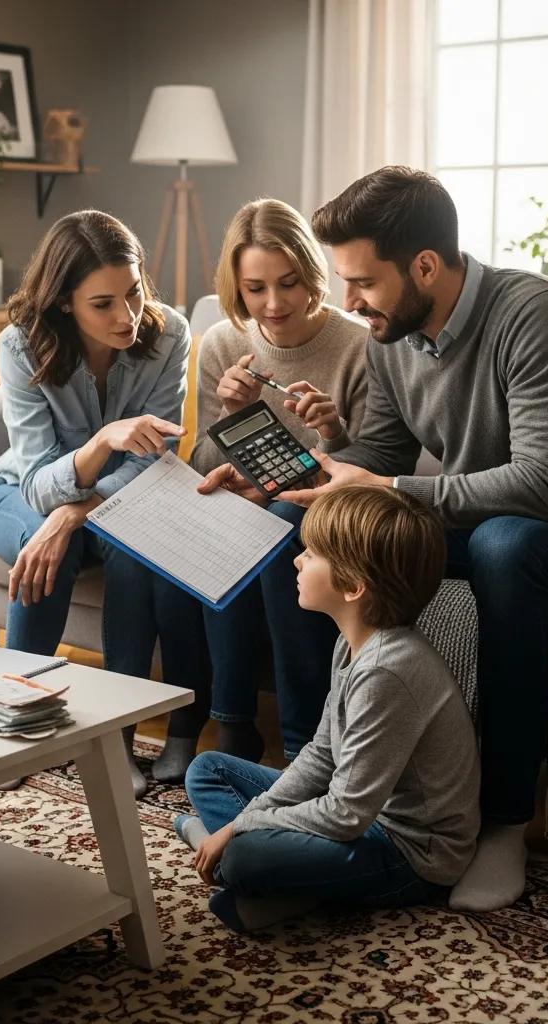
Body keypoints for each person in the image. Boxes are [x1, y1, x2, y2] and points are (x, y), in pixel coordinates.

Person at [201, 166, 548, 912]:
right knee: (293, 526)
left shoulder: (536, 315)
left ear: (426, 267)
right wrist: (306, 479)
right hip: (470, 519)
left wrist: (390, 491)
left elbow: (545, 488)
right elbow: (379, 458)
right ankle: (317, 775)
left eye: (362, 282)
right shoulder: (391, 333)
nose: (347, 302)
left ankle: (502, 824)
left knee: (508, 545)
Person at [174, 485, 480, 933]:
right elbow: (321, 755)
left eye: (312, 554)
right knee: (208, 770)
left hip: (411, 851)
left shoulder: (386, 671)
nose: (297, 561)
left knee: (245, 856)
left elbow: (345, 814)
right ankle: (285, 890)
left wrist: (239, 829)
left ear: (354, 586)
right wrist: (248, 819)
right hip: (362, 820)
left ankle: (266, 881)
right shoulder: (350, 643)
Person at [0, 209, 210, 798]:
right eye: (103, 303)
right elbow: (34, 480)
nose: (126, 316)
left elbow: (151, 460)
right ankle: (18, 722)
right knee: (45, 546)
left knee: (134, 549)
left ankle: (118, 741)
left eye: (133, 293)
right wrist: (103, 440)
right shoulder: (21, 345)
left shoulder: (169, 334)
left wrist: (80, 509)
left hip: (114, 498)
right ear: (64, 303)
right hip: (21, 493)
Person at [169, 198, 368, 773]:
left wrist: (332, 430)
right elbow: (202, 461)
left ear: (312, 274)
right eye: (256, 289)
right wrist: (232, 416)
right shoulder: (224, 344)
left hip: (322, 503)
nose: (274, 304)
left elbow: (369, 464)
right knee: (223, 519)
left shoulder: (358, 344)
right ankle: (233, 728)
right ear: (236, 285)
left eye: (289, 284)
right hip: (249, 499)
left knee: (276, 525)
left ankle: (305, 745)